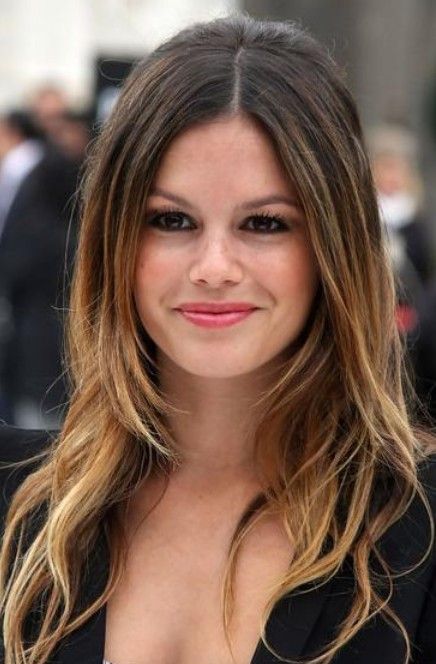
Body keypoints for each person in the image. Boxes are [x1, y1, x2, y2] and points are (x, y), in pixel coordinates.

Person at [0, 15, 435, 664]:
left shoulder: (418, 533)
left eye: (264, 223)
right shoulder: (18, 507)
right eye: (171, 220)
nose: (213, 267)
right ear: (114, 238)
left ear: (333, 245)